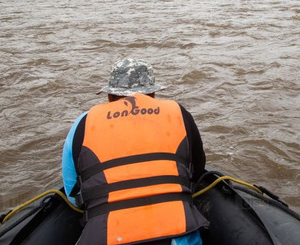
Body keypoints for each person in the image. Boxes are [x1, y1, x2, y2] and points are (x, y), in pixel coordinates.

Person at [62, 58, 208, 245]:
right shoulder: (178, 112)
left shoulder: (83, 123)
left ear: (109, 96)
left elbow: (73, 194)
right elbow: (197, 172)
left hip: (106, 236)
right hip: (177, 234)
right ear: (153, 93)